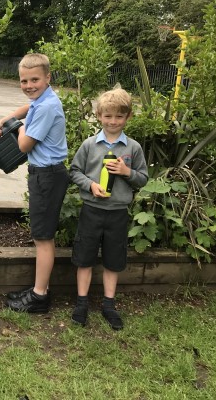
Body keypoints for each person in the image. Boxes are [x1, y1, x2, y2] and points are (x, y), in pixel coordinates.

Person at [0, 53, 69, 314]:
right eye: (24, 81)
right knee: (40, 234)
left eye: (34, 79)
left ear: (48, 77)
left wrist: (17, 126)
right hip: (44, 174)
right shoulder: (43, 99)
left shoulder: (46, 106)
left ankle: (39, 297)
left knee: (43, 238)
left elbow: (24, 145)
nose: (28, 85)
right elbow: (27, 108)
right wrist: (7, 118)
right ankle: (39, 289)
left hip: (47, 175)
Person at [69, 87, 148, 330]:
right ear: (99, 116)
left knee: (114, 260)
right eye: (108, 116)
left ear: (128, 117)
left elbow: (143, 178)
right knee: (85, 257)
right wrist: (91, 185)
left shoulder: (133, 148)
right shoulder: (90, 145)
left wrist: (127, 172)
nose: (113, 121)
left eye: (119, 116)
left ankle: (108, 305)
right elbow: (74, 171)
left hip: (117, 213)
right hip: (92, 211)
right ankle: (81, 303)